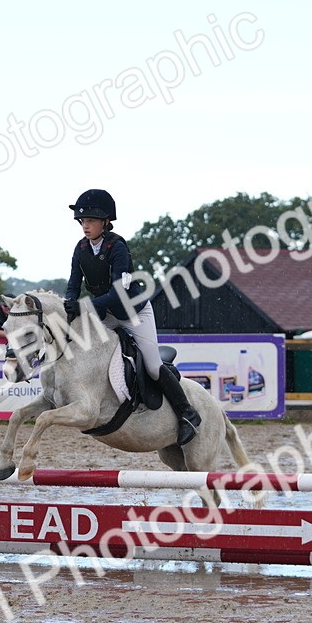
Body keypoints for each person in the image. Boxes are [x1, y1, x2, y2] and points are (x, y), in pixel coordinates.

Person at [63, 188, 200, 446]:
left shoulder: (118, 247)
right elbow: (73, 283)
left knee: (151, 365)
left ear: (105, 222)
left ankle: (187, 414)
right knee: (84, 350)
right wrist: (69, 302)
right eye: (83, 221)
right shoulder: (81, 248)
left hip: (133, 313)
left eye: (90, 220)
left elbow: (118, 295)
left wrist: (84, 306)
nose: (85, 225)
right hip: (104, 314)